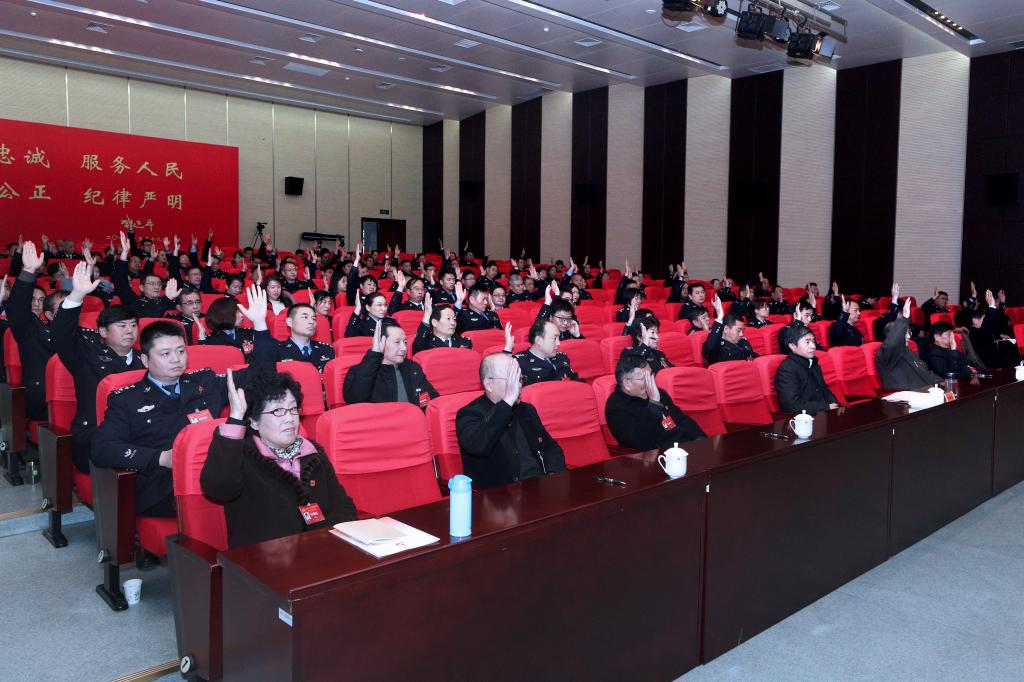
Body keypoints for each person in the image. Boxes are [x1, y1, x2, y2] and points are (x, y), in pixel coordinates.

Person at [92, 288, 274, 517]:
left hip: (217, 473)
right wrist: (160, 458)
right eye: (165, 354)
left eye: (180, 351)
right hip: (166, 486)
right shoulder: (126, 398)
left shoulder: (205, 382)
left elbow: (263, 374)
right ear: (145, 360)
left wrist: (260, 326)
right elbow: (102, 448)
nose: (176, 359)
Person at [200, 368, 357, 548]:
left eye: (293, 409)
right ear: (254, 421)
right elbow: (219, 488)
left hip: (319, 553)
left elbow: (342, 506)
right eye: (278, 411)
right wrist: (235, 419)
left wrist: (325, 542)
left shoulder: (313, 454)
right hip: (263, 559)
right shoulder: (241, 457)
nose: (290, 418)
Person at [53, 263, 145, 473]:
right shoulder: (86, 357)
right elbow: (62, 335)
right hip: (96, 435)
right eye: (121, 326)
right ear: (103, 332)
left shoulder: (146, 359)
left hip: (140, 432)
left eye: (133, 325)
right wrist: (77, 295)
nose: (129, 331)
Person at [455, 352, 566, 488]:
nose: (518, 385)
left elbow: (550, 448)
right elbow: (478, 445)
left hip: (539, 489)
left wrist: (552, 475)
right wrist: (507, 402)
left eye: (520, 379)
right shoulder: (469, 414)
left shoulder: (526, 410)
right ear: (489, 384)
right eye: (512, 380)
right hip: (500, 496)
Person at [7, 241, 66, 422]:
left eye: (41, 300)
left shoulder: (60, 327)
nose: (36, 303)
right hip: (46, 394)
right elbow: (18, 308)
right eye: (32, 299)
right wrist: (28, 271)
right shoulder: (29, 328)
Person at [605, 355, 705, 451]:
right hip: (657, 456)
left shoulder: (659, 393)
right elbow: (642, 443)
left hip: (683, 446)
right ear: (627, 384)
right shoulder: (616, 407)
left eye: (651, 375)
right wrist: (654, 404)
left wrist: (700, 439)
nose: (651, 381)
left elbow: (682, 419)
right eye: (645, 378)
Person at [343, 320, 439, 407]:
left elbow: (433, 399)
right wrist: (374, 354)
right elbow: (355, 400)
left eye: (405, 342)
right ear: (381, 343)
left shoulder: (412, 367)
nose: (404, 348)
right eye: (397, 342)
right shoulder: (361, 371)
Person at [877, 296, 941, 390]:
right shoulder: (886, 352)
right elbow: (893, 343)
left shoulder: (909, 351)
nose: (909, 336)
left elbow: (925, 372)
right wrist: (903, 319)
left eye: (909, 333)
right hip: (902, 395)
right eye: (904, 333)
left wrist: (940, 381)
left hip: (923, 390)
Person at [113, 232, 181, 319]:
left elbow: (175, 277)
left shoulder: (168, 301)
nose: (156, 286)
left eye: (159, 284)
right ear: (142, 287)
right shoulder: (134, 300)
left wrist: (175, 254)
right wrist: (124, 254)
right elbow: (121, 282)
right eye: (152, 284)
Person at [775, 326, 840, 414]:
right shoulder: (787, 369)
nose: (813, 346)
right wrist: (826, 407)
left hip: (823, 414)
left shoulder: (813, 363)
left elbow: (825, 390)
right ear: (792, 345)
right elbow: (791, 404)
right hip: (805, 418)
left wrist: (836, 405)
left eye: (813, 341)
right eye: (807, 342)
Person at [513, 320, 583, 385]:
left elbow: (579, 385)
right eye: (554, 338)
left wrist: (578, 336)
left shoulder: (562, 358)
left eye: (558, 338)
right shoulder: (518, 363)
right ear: (539, 340)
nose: (558, 343)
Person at [270, 303, 335, 371]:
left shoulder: (327, 350)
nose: (311, 322)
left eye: (313, 318)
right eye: (305, 317)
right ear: (290, 322)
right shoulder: (276, 351)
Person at [412, 294, 479, 353]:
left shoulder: (464, 342)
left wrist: (459, 302)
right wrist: (427, 315)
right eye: (448, 319)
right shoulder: (426, 344)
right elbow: (418, 346)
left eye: (454, 319)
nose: (453, 323)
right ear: (435, 322)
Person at [703, 297, 757, 365]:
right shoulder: (717, 346)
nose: (741, 334)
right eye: (738, 330)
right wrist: (720, 317)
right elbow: (710, 347)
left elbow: (753, 356)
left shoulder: (743, 341)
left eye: (743, 331)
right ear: (726, 329)